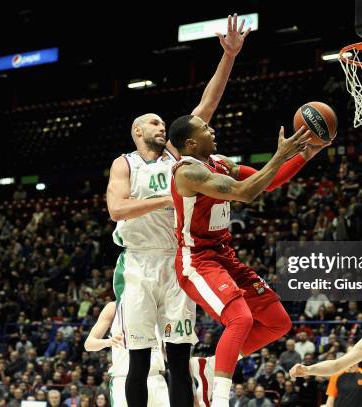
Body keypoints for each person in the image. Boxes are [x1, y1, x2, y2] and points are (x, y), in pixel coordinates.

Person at [104, 13, 251, 407]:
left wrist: (230, 56)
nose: (161, 126)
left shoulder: (178, 159)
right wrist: (167, 199)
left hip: (178, 261)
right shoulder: (125, 163)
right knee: (137, 360)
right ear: (137, 132)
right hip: (137, 264)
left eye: (162, 123)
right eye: (153, 123)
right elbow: (116, 209)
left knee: (178, 359)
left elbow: (209, 100)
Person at [169, 111, 326, 407]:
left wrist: (307, 153)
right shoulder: (187, 173)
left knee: (278, 322)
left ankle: (211, 366)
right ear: (190, 143)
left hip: (224, 257)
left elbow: (268, 182)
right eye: (205, 128)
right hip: (197, 261)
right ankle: (219, 400)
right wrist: (279, 154)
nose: (212, 129)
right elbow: (244, 193)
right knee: (240, 318)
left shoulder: (220, 164)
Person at [84, 301, 169, 407]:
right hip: (123, 379)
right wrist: (108, 342)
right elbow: (89, 344)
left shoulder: (158, 305)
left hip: (155, 378)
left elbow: (165, 349)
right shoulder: (114, 307)